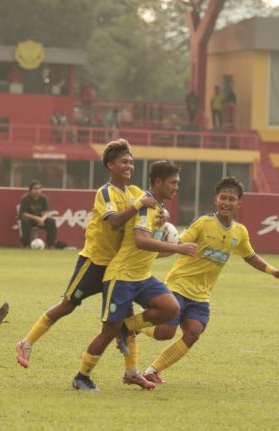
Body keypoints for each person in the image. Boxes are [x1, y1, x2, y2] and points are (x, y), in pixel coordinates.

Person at [15, 139, 160, 386]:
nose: (130, 165)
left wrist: (160, 213)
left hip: (118, 266)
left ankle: (132, 371)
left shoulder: (135, 192)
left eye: (131, 162)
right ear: (110, 165)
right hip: (94, 261)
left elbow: (151, 205)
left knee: (125, 316)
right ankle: (26, 343)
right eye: (124, 162)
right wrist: (139, 205)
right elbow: (114, 221)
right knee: (67, 305)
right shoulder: (106, 192)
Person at [140, 177, 279, 384]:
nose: (226, 202)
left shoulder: (240, 232)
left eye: (231, 199)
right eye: (223, 198)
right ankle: (135, 325)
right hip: (179, 285)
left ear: (239, 203)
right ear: (215, 200)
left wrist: (273, 271)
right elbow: (178, 242)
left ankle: (152, 371)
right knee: (165, 332)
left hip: (201, 294)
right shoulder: (203, 223)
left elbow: (250, 256)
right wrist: (155, 250)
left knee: (193, 332)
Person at [71, 161, 197, 391]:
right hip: (122, 277)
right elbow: (140, 240)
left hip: (142, 277)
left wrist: (169, 246)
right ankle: (82, 376)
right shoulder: (145, 206)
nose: (176, 187)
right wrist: (178, 248)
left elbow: (149, 247)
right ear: (158, 182)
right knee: (108, 331)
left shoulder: (157, 208)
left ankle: (126, 328)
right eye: (173, 183)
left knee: (170, 308)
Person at [18, 180, 57, 249]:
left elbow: (46, 212)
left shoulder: (43, 198)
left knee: (51, 222)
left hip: (40, 220)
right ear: (30, 190)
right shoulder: (25, 199)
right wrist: (37, 218)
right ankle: (26, 245)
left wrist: (42, 219)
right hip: (29, 220)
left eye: (39, 189)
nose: (37, 191)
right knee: (25, 222)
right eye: (35, 189)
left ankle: (51, 245)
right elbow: (24, 213)